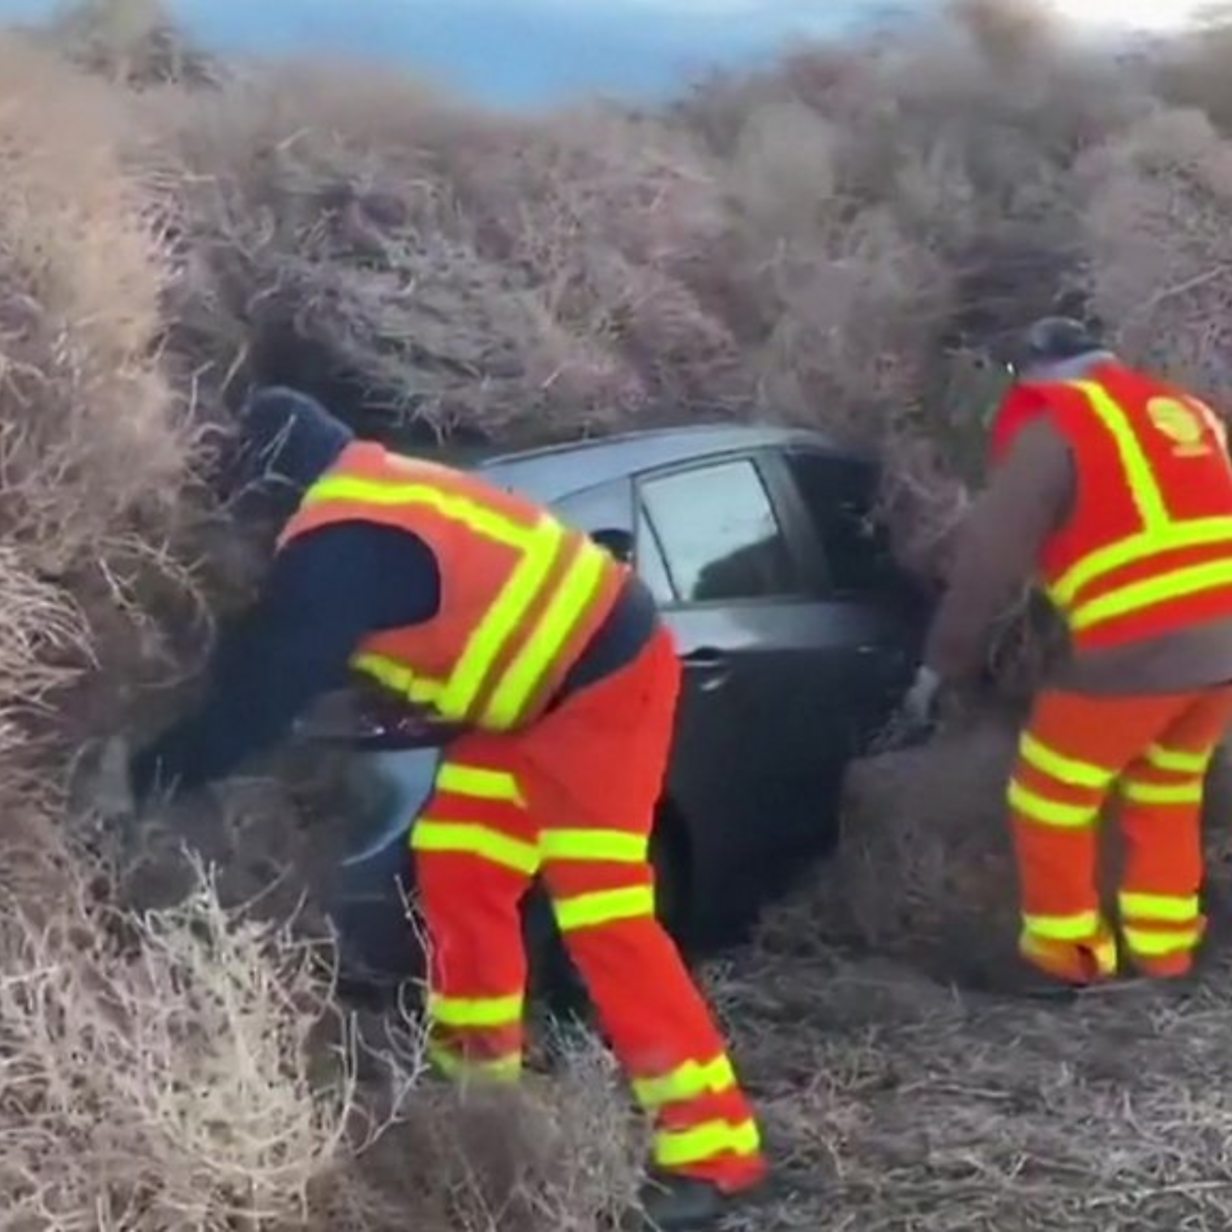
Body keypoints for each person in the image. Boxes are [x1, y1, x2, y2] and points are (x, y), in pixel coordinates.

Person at [111, 387, 768, 1230]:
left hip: (605, 684)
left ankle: (712, 1154)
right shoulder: (370, 493)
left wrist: (150, 774)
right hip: (518, 705)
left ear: (265, 488)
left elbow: (260, 696)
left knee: (605, 916)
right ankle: (479, 1083)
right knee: (460, 871)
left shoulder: (337, 549)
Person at [901, 318, 1232, 990]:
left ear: (1034, 377)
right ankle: (1167, 954)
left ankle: (1067, 956)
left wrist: (944, 663)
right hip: (1221, 651)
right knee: (1165, 788)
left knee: (1052, 793)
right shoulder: (1186, 411)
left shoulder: (1055, 430)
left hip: (1139, 650)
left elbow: (989, 562)